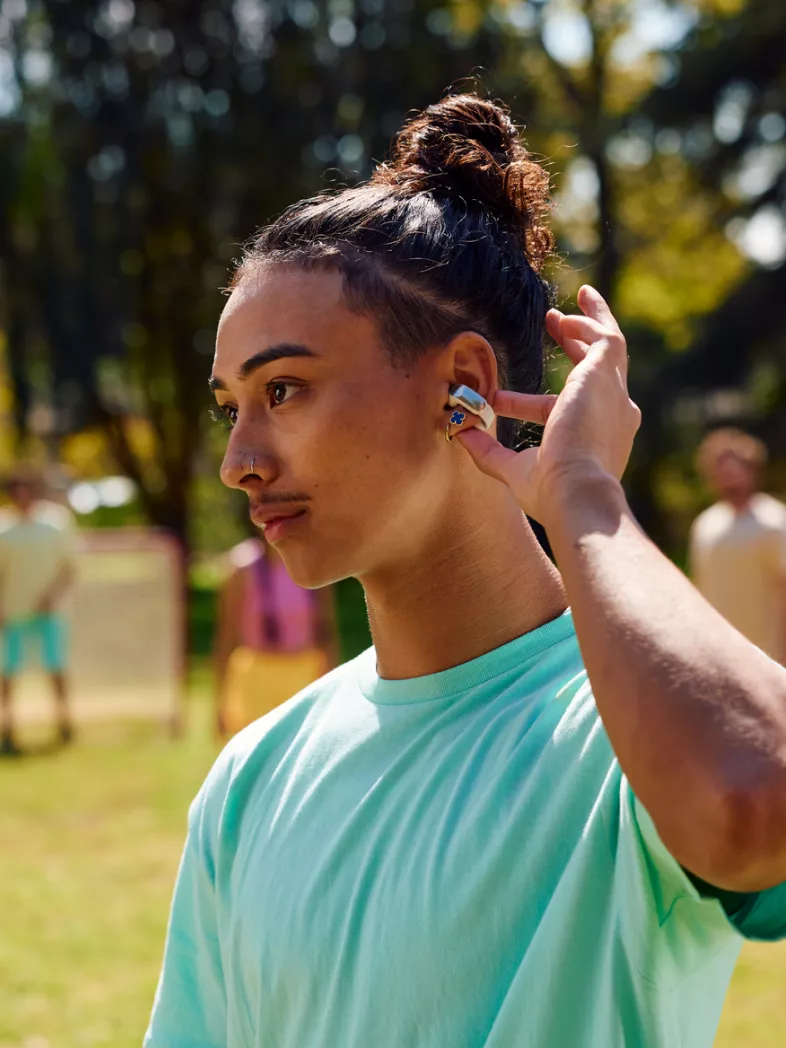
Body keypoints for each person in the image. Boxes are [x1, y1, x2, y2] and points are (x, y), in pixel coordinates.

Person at [146, 95, 786, 1048]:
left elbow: (758, 804)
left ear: (467, 388)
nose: (240, 458)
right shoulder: (250, 780)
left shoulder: (624, 732)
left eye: (284, 390)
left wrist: (581, 493)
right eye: (229, 406)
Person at [214, 535, 339, 736]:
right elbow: (227, 635)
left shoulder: (313, 561)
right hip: (257, 672)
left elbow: (326, 632)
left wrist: (333, 687)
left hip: (303, 670)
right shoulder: (242, 566)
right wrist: (219, 702)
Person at [690, 427, 786, 663]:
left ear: (751, 469)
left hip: (770, 659)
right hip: (721, 656)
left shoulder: (774, 521)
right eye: (720, 469)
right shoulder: (705, 525)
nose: (728, 476)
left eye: (735, 468)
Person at [0, 466, 76, 754]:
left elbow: (69, 568)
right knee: (8, 672)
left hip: (49, 614)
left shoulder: (55, 523)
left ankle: (65, 724)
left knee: (56, 668)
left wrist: (52, 597)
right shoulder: (3, 528)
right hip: (13, 612)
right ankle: (8, 729)